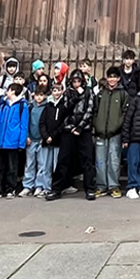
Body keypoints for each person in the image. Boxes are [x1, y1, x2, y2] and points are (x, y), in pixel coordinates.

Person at [58, 70, 99, 200]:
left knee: (87, 160)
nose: (76, 84)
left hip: (84, 130)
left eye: (79, 81)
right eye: (74, 81)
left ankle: (89, 188)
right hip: (68, 129)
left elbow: (90, 110)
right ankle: (57, 188)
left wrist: (80, 127)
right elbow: (65, 109)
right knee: (63, 159)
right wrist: (75, 96)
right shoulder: (67, 93)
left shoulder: (89, 92)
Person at [0, 83, 30, 199]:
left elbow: (23, 125)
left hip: (13, 142)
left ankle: (10, 189)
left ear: (13, 91)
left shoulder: (22, 106)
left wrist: (21, 143)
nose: (6, 92)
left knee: (12, 167)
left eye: (9, 90)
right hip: (1, 141)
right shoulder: (3, 105)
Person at [93, 67, 129, 198]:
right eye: (110, 77)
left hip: (115, 133)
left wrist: (117, 126)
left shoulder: (123, 94)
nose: (112, 79)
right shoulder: (101, 94)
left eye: (115, 77)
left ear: (118, 78)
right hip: (100, 132)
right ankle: (101, 185)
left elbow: (124, 113)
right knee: (100, 161)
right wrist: (97, 125)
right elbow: (95, 111)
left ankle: (113, 185)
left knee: (114, 160)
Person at [35, 83, 70, 200]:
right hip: (47, 141)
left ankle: (56, 187)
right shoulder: (48, 106)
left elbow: (63, 123)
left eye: (58, 90)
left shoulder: (63, 106)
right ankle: (46, 187)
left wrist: (53, 136)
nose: (56, 93)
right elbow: (42, 122)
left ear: (62, 91)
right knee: (45, 165)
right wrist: (46, 136)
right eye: (54, 90)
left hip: (58, 140)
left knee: (57, 165)